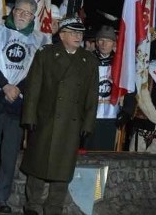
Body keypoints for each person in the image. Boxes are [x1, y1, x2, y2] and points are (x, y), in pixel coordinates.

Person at [0, 0, 46, 212]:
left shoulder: (39, 40)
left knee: (9, 153)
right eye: (19, 11)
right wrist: (5, 86)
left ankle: (1, 198)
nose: (22, 15)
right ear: (12, 12)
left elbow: (36, 72)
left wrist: (18, 89)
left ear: (33, 17)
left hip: (17, 104)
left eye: (28, 13)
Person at [20, 17, 99, 215]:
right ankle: (32, 205)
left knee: (63, 170)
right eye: (73, 33)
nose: (78, 37)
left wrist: (88, 124)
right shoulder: (46, 54)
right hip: (46, 119)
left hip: (71, 124)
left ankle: (54, 208)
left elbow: (92, 95)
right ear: (61, 35)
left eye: (80, 33)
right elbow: (34, 88)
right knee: (38, 163)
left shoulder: (88, 60)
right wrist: (29, 117)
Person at [84, 25, 120, 151]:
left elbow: (130, 88)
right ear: (97, 42)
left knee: (107, 152)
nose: (104, 44)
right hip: (89, 115)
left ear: (114, 44)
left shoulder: (120, 63)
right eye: (101, 40)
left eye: (108, 41)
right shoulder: (87, 59)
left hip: (111, 116)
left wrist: (127, 110)